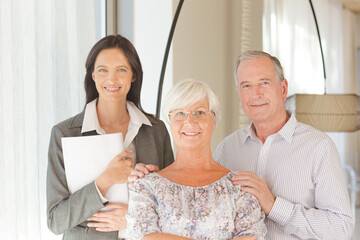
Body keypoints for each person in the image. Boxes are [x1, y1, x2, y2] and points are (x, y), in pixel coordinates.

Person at [213, 50, 355, 239]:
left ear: (283, 88)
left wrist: (273, 205)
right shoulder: (225, 150)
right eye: (246, 86)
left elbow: (341, 228)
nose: (255, 94)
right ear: (239, 93)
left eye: (264, 83)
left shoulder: (320, 147)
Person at [46, 34, 174, 240]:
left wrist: (133, 218)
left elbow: (176, 210)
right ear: (93, 76)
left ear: (133, 75)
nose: (112, 79)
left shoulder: (156, 131)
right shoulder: (64, 134)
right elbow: (56, 220)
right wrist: (105, 180)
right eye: (103, 70)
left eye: (121, 70)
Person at [126, 79, 267, 240]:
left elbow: (251, 237)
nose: (189, 121)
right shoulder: (147, 186)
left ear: (214, 121)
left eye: (199, 112)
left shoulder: (240, 187)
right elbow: (142, 236)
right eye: (179, 113)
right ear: (170, 122)